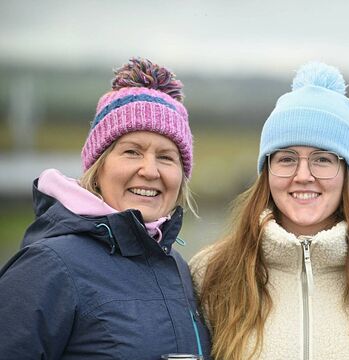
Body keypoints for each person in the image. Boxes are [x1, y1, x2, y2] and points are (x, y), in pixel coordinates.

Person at [189, 61, 349, 360]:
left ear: (347, 173)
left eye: (322, 159)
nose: (303, 175)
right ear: (266, 171)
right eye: (287, 159)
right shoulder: (212, 272)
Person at [0, 58, 210, 359]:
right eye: (131, 152)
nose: (150, 171)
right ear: (98, 169)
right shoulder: (48, 266)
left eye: (166, 157)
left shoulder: (177, 267)